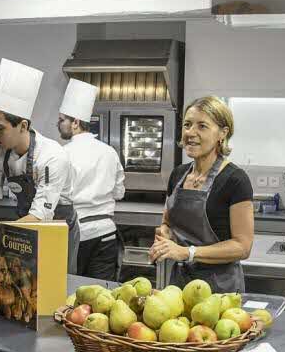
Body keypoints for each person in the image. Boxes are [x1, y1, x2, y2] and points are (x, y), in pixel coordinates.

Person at [0, 58, 80, 272]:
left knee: (54, 289)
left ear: (23, 125)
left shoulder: (52, 156)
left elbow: (39, 219)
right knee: (22, 288)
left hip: (55, 229)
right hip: (22, 227)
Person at [149, 96, 254, 292]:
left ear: (222, 133)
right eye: (187, 125)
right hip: (180, 285)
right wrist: (165, 233)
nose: (190, 133)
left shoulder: (235, 180)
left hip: (220, 290)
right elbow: (167, 222)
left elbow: (243, 246)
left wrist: (186, 252)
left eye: (202, 126)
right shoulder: (178, 174)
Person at [58, 78, 125, 280]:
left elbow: (58, 198)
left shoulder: (62, 154)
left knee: (73, 294)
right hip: (106, 233)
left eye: (62, 120)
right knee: (101, 297)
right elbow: (119, 193)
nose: (58, 124)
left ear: (76, 123)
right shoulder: (109, 152)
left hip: (77, 236)